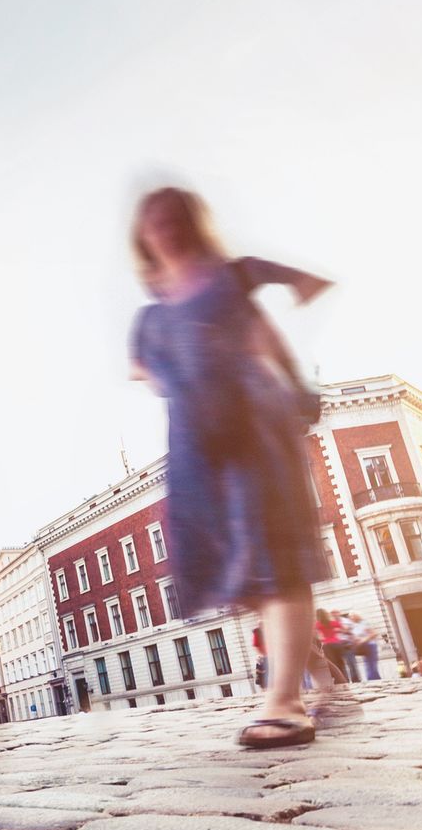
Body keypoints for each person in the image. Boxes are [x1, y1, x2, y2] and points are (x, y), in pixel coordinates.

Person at [128, 187, 332, 750]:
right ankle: (316, 672)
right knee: (239, 576)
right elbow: (140, 369)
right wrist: (174, 370)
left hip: (254, 423)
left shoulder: (230, 278)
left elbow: (269, 333)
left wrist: (297, 391)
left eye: (174, 218)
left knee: (273, 556)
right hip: (197, 439)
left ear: (193, 224)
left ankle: (284, 700)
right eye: (154, 221)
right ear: (142, 236)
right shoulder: (150, 314)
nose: (164, 229)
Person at [348, 612, 381, 680]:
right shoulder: (355, 626)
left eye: (352, 616)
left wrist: (363, 640)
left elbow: (374, 633)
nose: (350, 618)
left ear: (356, 616)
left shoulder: (364, 623)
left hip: (371, 645)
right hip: (364, 647)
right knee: (368, 665)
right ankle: (375, 681)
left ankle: (373, 681)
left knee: (372, 666)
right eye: (349, 617)